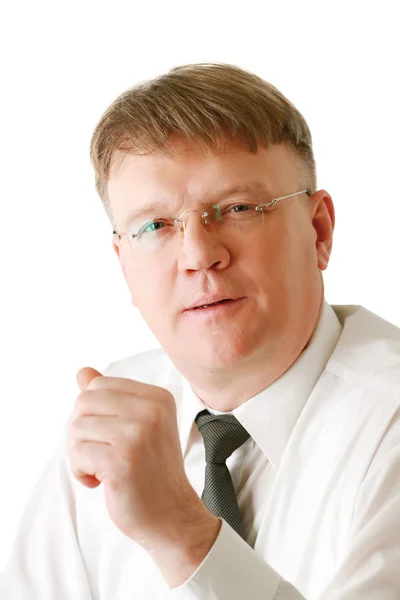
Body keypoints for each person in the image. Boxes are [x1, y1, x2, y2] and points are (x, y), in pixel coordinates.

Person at [1, 62, 399, 600]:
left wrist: (183, 533)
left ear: (318, 231)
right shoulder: (110, 421)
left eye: (238, 208)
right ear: (123, 264)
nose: (199, 255)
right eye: (156, 226)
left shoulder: (387, 420)